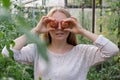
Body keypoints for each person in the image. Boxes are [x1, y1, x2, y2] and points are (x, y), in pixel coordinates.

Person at [2, 7, 119, 80]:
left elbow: (112, 50)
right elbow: (7, 52)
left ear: (71, 26)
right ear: (46, 25)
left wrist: (82, 31)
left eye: (64, 24)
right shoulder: (37, 50)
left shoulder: (83, 52)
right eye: (53, 23)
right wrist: (36, 31)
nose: (59, 28)